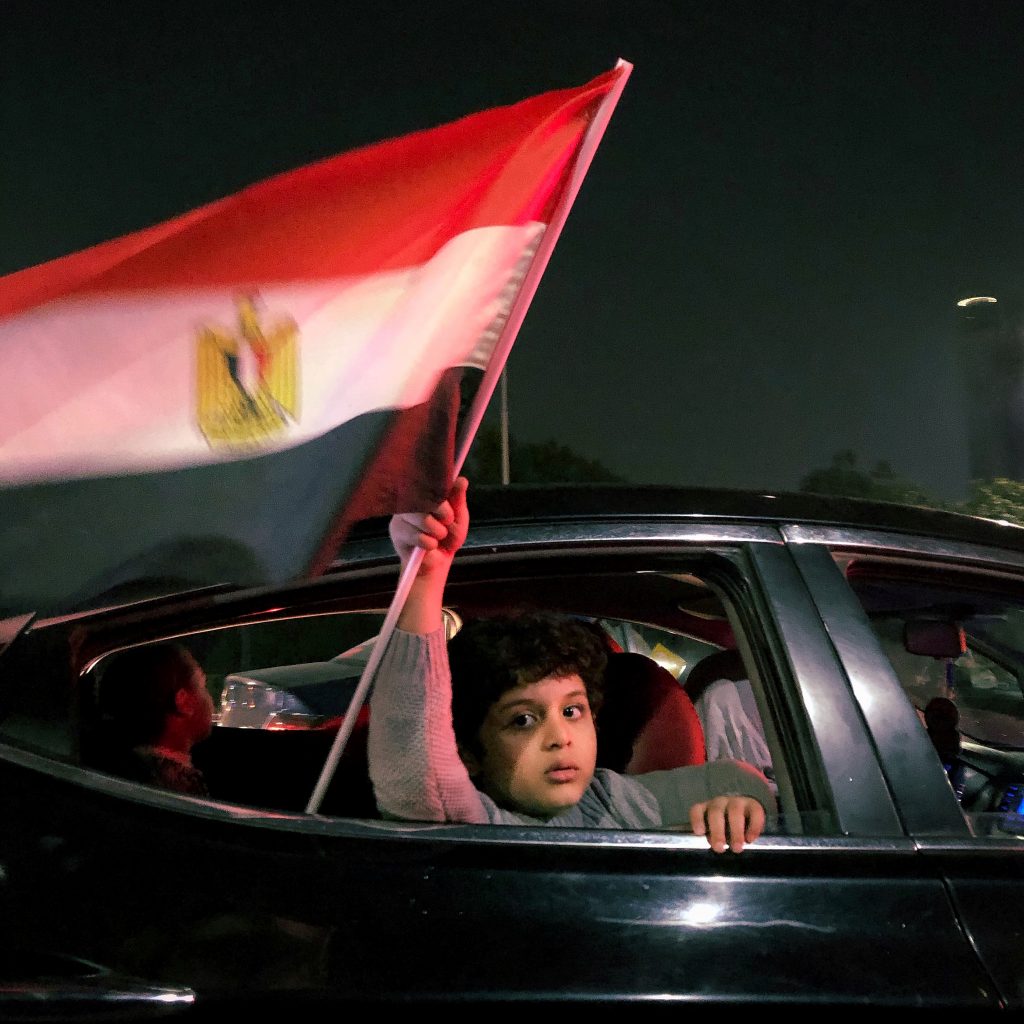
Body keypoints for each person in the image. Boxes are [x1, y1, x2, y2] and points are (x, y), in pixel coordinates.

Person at [368, 477, 774, 853]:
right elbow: (417, 773)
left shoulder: (605, 796)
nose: (560, 737)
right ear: (469, 755)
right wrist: (424, 579)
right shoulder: (482, 825)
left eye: (572, 711)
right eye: (523, 720)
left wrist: (738, 808)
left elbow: (736, 780)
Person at [96, 642, 214, 796]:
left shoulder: (125, 769)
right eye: (202, 685)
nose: (209, 697)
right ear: (184, 703)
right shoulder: (179, 783)